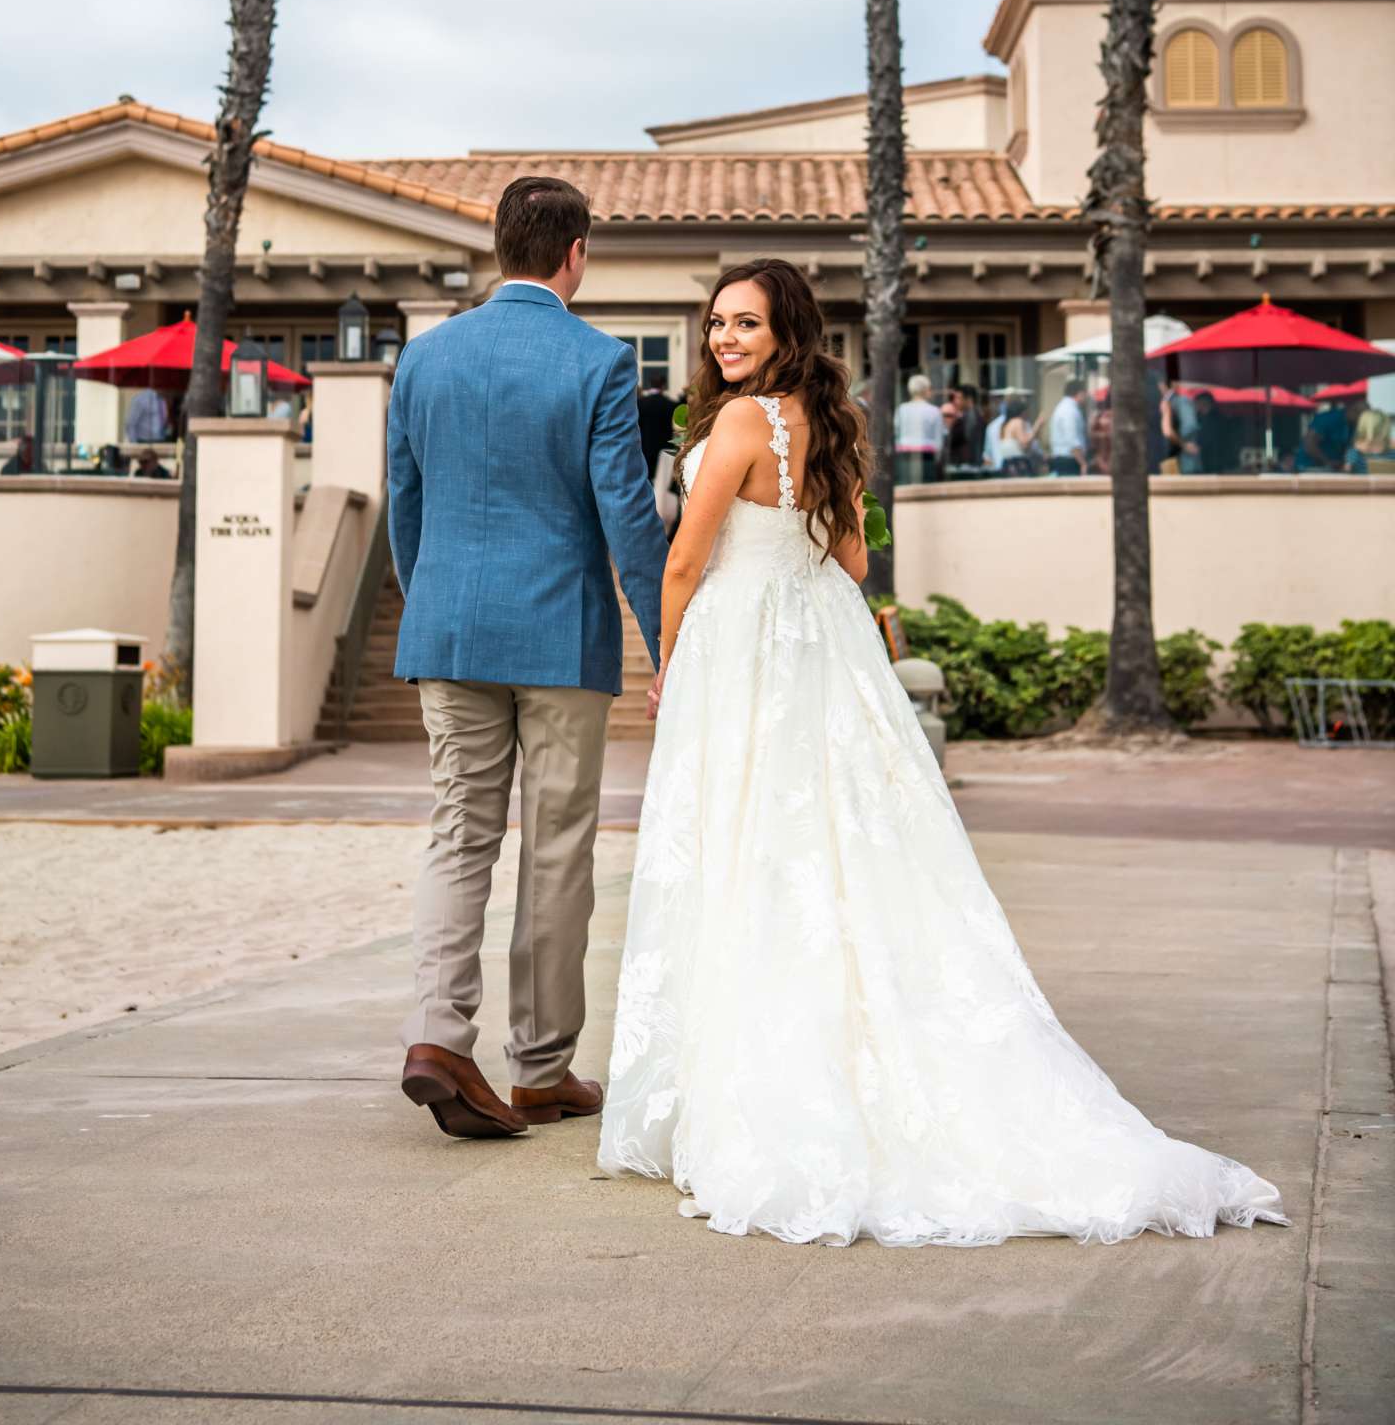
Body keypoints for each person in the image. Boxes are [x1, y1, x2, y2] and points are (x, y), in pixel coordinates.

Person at [598, 259, 1284, 1246]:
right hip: (819, 646)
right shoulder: (831, 428)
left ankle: (760, 1083)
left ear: (786, 329)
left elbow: (685, 557)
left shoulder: (740, 425)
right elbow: (853, 560)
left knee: (746, 840)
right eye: (715, 324)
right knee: (833, 849)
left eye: (743, 324)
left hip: (741, 649)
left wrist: (667, 664)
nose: (723, 340)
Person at [388, 175, 667, 1141]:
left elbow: (405, 508)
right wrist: (666, 636)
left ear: (499, 247)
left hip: (450, 630)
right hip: (560, 636)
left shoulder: (423, 361)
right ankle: (542, 1066)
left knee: (460, 830)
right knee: (555, 847)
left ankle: (436, 1036)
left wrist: (431, 609)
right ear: (575, 253)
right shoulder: (599, 362)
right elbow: (627, 513)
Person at [893, 371, 944, 484]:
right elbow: (938, 439)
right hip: (927, 455)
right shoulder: (934, 411)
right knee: (927, 488)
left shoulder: (901, 409)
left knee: (905, 486)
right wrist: (938, 458)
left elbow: (896, 432)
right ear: (926, 390)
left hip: (904, 453)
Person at [1047, 377, 1088, 476]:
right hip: (1069, 461)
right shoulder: (1070, 411)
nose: (1086, 396)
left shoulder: (1063, 407)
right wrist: (1083, 463)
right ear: (1079, 393)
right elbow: (1072, 440)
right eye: (1085, 393)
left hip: (1065, 459)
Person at [996, 394, 1038, 472]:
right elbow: (1024, 442)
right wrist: (1037, 426)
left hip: (1006, 463)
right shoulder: (1018, 421)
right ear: (1022, 412)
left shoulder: (1005, 424)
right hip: (1017, 463)